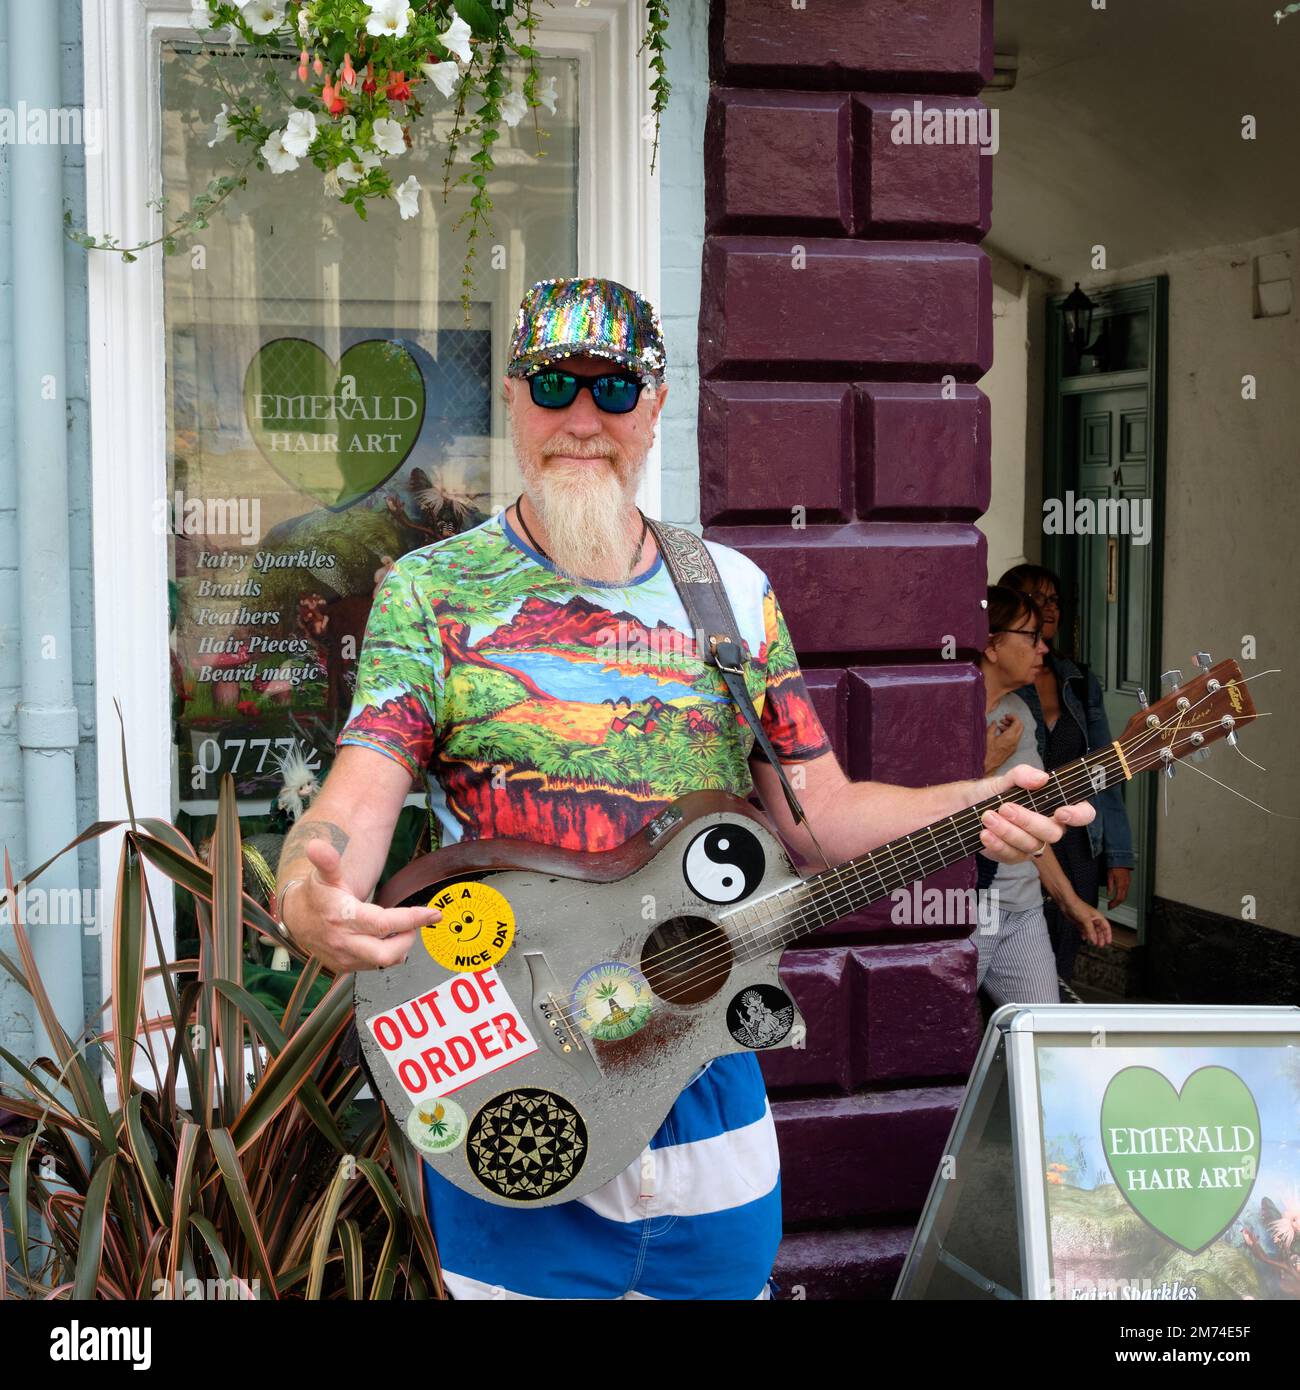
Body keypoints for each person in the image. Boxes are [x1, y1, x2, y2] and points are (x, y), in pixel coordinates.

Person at [272, 276, 1098, 1302]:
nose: (583, 418)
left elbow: (822, 813)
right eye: (554, 385)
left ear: (656, 407)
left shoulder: (730, 592)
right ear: (514, 405)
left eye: (615, 390)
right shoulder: (432, 594)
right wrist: (314, 890)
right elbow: (358, 796)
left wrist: (979, 804)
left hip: (705, 1083)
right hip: (516, 1083)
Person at [998, 563, 1135, 986]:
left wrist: (1119, 854)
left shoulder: (1077, 681)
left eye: (1054, 599)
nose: (1049, 608)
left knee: (1058, 957)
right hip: (1011, 838)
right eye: (1036, 599)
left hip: (1075, 838)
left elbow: (1105, 767)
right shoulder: (1001, 682)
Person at [976, 586, 1110, 1006]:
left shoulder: (1019, 713)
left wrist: (1071, 903)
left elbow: (1028, 820)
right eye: (1031, 636)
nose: (1043, 647)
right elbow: (919, 810)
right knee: (942, 1044)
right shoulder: (941, 706)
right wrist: (989, 758)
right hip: (961, 908)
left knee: (1039, 1039)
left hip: (1023, 906)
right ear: (991, 645)